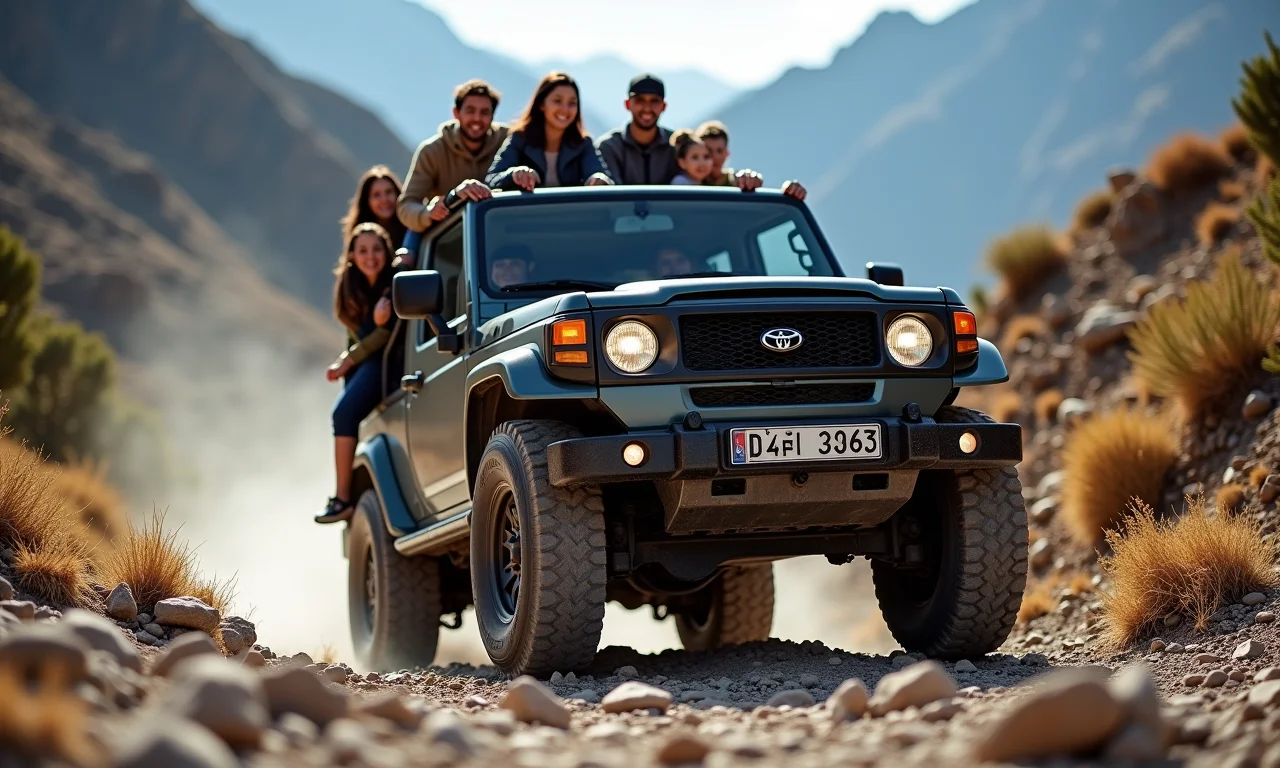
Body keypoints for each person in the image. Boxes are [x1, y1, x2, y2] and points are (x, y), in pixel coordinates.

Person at [316, 223, 398, 524]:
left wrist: (347, 361)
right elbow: (353, 335)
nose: (370, 256)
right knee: (348, 415)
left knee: (343, 414)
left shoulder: (392, 284)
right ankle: (350, 487)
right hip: (366, 361)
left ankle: (342, 498)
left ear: (386, 252)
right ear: (351, 255)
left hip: (386, 360)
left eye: (377, 249)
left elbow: (383, 338)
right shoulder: (350, 284)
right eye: (363, 250)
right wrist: (347, 363)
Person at [397, 80, 509, 257]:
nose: (477, 119)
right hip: (446, 246)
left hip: (502, 243)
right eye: (470, 111)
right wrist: (428, 213)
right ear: (456, 113)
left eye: (485, 112)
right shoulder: (432, 151)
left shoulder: (507, 142)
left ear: (493, 116)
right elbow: (406, 206)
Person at [486, 72, 613, 191]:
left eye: (572, 103)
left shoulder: (583, 144)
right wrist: (514, 174)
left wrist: (599, 179)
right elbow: (492, 180)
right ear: (541, 104)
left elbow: (600, 175)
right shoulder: (519, 139)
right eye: (557, 101)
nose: (565, 109)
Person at [596, 74, 678, 185]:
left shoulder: (676, 145)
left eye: (654, 101)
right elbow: (612, 194)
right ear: (627, 104)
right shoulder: (609, 147)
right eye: (640, 100)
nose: (647, 108)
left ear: (663, 106)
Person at [695, 120, 808, 200]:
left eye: (719, 151)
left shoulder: (738, 182)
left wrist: (791, 192)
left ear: (727, 154)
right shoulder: (688, 184)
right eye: (708, 152)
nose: (715, 157)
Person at [342, 166, 408, 248]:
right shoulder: (358, 236)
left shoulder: (412, 229)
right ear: (366, 201)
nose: (384, 199)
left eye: (389, 192)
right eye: (376, 195)